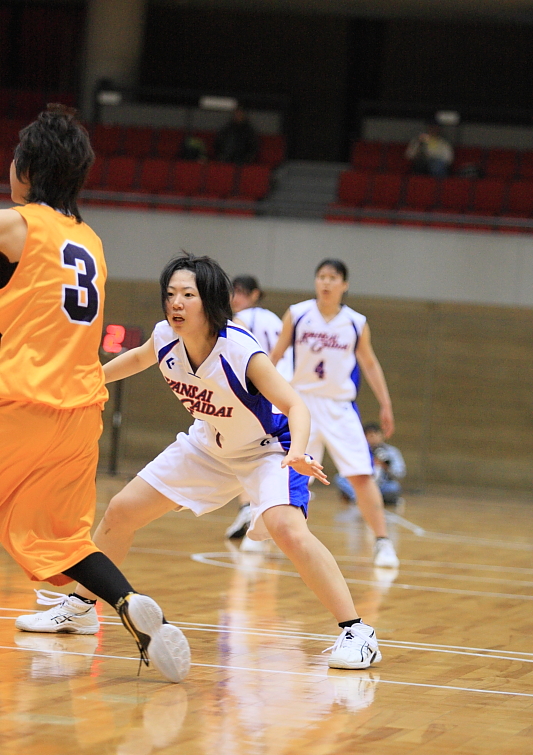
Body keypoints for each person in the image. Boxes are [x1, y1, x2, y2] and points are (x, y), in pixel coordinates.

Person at [18, 253, 384, 671]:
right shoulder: (164, 337)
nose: (175, 303)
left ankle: (357, 632)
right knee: (120, 512)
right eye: (170, 294)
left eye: (187, 295)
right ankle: (82, 607)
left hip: (268, 448)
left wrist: (298, 451)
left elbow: (294, 404)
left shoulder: (240, 349)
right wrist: (87, 382)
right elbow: (139, 357)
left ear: (208, 300)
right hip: (208, 445)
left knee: (288, 530)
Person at [1, 105, 190, 683]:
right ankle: (128, 602)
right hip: (80, 412)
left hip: (21, 399)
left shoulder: (15, 223)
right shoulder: (92, 241)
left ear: (28, 169)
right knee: (62, 537)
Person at [270, 258, 399, 568]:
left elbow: (369, 363)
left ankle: (382, 542)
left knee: (361, 475)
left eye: (332, 277)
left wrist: (386, 403)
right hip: (301, 403)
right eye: (321, 277)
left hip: (339, 407)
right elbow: (274, 356)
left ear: (344, 285)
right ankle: (271, 531)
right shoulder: (298, 314)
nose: (326, 282)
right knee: (288, 471)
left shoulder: (355, 322)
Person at [225, 274, 292, 540]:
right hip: (284, 393)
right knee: (265, 456)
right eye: (234, 291)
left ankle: (251, 508)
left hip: (259, 392)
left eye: (241, 292)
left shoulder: (241, 320)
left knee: (244, 450)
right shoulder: (275, 319)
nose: (236, 297)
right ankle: (263, 511)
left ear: (255, 294)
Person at [335, 423, 406, 507]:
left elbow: (400, 473)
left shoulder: (392, 451)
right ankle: (360, 498)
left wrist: (386, 466)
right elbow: (347, 469)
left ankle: (368, 499)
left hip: (382, 485)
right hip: (361, 484)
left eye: (375, 434)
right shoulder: (358, 450)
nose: (372, 437)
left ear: (382, 436)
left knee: (394, 487)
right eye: (369, 435)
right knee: (339, 479)